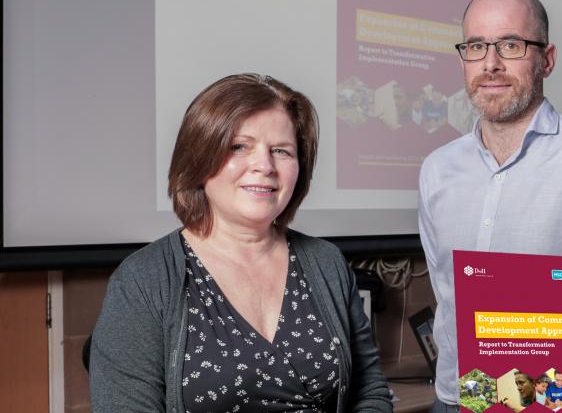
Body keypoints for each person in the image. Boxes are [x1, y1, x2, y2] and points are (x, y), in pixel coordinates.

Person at [89, 74, 391, 411]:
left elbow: (370, 391)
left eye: (281, 151)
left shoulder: (326, 262)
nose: (264, 165)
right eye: (239, 146)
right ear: (199, 157)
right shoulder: (143, 282)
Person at [418, 0, 562, 412]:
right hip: (457, 401)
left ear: (548, 59)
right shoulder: (437, 169)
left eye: (510, 44)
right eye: (475, 46)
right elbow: (445, 293)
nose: (490, 63)